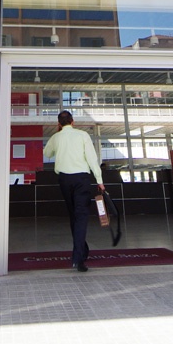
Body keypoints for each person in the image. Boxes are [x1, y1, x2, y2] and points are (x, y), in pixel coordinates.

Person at [43, 110, 105, 272]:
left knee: (74, 216)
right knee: (81, 216)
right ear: (73, 122)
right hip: (81, 180)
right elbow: (92, 159)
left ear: (59, 124)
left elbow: (46, 153)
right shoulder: (83, 135)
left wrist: (58, 137)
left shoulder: (56, 137)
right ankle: (78, 258)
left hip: (64, 180)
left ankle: (81, 251)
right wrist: (99, 180)